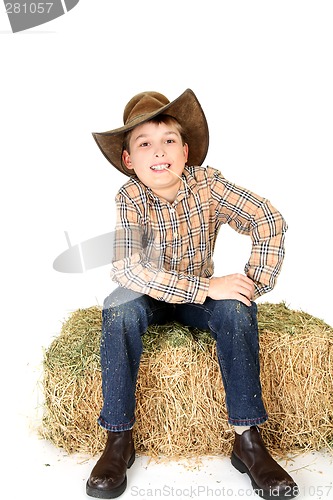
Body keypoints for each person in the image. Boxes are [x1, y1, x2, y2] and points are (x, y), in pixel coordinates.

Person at [86, 89, 299, 500]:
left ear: (186, 152)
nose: (158, 151)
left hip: (198, 304)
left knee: (237, 309)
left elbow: (268, 219)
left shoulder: (209, 185)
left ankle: (247, 440)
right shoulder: (130, 197)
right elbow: (127, 268)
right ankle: (118, 439)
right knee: (118, 311)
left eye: (168, 141)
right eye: (144, 144)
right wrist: (206, 286)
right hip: (148, 296)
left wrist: (252, 283)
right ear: (130, 161)